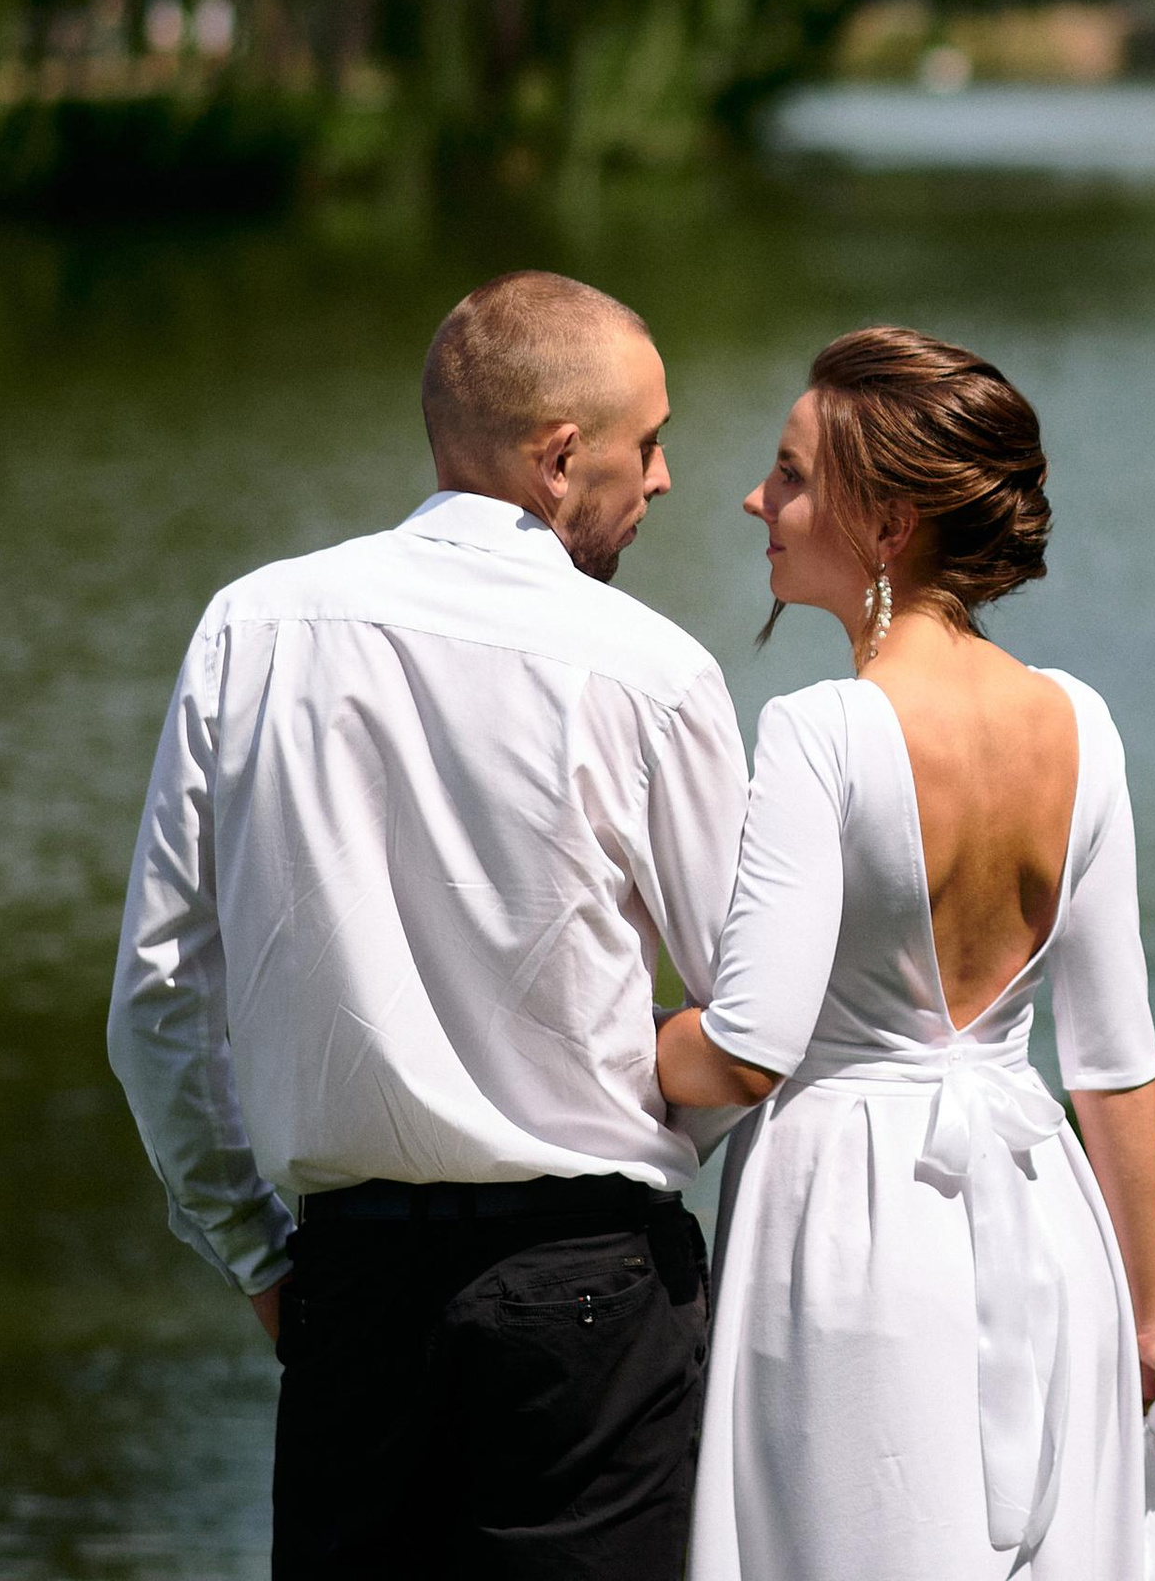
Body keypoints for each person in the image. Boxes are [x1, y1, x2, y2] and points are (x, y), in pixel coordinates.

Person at [106, 270, 748, 1580]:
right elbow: (762, 1013)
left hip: (349, 1288)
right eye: (651, 443)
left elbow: (156, 1004)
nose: (668, 479)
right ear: (563, 458)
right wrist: (646, 1127)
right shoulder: (653, 670)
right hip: (593, 1294)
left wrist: (254, 1254)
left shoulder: (253, 628)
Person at [660, 326, 1155, 1580]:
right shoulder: (1081, 724)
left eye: (787, 475)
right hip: (1044, 1219)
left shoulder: (821, 728)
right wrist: (1153, 1323)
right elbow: (1112, 1070)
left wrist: (592, 1040)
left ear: (886, 525)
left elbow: (741, 1051)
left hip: (853, 1228)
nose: (753, 498)